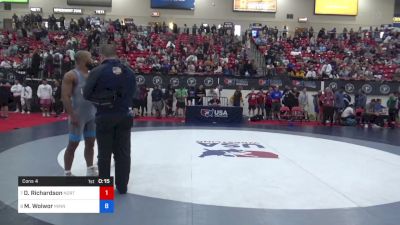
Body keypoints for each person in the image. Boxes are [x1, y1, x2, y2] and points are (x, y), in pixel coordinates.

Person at [83, 45, 136, 194]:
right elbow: (133, 93)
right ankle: (122, 187)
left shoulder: (97, 71)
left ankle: (105, 188)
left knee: (104, 154)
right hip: (124, 116)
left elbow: (86, 94)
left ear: (101, 56)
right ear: (116, 54)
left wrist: (102, 100)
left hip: (104, 116)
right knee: (123, 153)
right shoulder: (128, 71)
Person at [61, 51, 98, 177]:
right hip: (78, 115)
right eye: (90, 57)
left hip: (92, 114)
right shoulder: (71, 75)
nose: (92, 60)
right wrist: (72, 114)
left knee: (91, 143)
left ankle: (90, 168)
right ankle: (67, 172)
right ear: (82, 59)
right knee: (73, 144)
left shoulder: (93, 74)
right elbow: (65, 97)